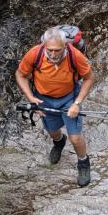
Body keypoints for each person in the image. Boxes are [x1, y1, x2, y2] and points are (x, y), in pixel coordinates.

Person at [15, 27, 96, 187]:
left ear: (65, 46)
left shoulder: (74, 55)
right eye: (50, 50)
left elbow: (89, 78)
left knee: (76, 138)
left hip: (69, 98)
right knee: (53, 131)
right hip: (43, 99)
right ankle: (59, 142)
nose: (53, 54)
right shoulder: (34, 54)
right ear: (44, 45)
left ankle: (83, 163)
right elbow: (20, 74)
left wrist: (77, 104)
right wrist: (31, 98)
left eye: (57, 50)